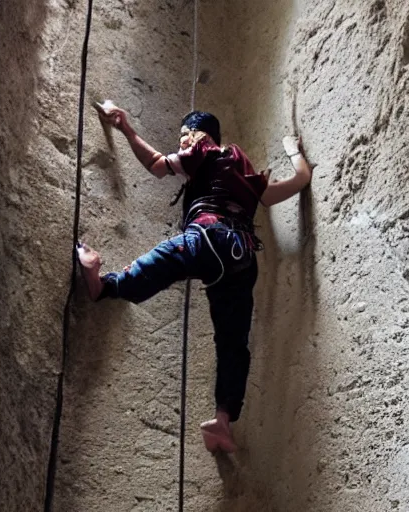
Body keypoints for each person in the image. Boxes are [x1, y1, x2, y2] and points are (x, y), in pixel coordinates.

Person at [77, 103, 314, 453]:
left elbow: (156, 165)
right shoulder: (248, 177)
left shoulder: (205, 148)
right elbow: (301, 180)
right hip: (242, 260)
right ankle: (221, 421)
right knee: (232, 344)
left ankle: (104, 284)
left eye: (184, 136)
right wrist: (293, 149)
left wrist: (126, 128)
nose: (183, 143)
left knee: (164, 261)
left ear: (195, 133)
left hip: (210, 235)